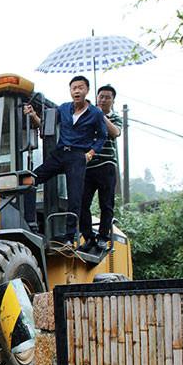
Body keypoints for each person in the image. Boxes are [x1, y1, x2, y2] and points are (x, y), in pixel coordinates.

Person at [23, 75, 108, 245]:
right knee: (29, 179)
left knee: (75, 197)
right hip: (60, 153)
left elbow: (102, 136)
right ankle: (29, 223)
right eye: (74, 88)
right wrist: (33, 115)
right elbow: (44, 125)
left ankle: (69, 237)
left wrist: (90, 153)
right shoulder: (63, 109)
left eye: (80, 87)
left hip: (78, 156)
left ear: (87, 90)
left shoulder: (96, 113)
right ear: (70, 91)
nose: (77, 91)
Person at [78, 84, 123, 255]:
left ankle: (103, 237)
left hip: (107, 166)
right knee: (82, 204)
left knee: (106, 204)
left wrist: (100, 115)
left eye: (107, 97)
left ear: (112, 100)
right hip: (88, 166)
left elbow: (115, 132)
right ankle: (88, 237)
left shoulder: (115, 117)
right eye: (100, 96)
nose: (103, 100)